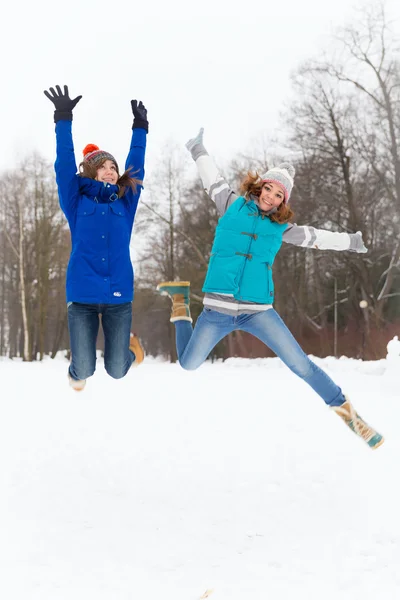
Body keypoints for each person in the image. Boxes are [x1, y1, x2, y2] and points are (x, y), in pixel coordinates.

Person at [157, 128, 384, 449]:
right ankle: (180, 305)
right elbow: (213, 179)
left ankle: (348, 412)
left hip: (257, 311)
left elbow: (315, 236)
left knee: (300, 363)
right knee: (189, 363)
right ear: (259, 186)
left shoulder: (281, 228)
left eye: (279, 195)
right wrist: (198, 149)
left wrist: (351, 241)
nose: (271, 197)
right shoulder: (231, 204)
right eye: (269, 189)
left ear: (283, 202)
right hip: (217, 310)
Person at [44, 85, 148, 391]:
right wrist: (63, 119)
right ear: (91, 173)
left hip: (119, 296)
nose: (110, 171)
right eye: (102, 167)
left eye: (113, 167)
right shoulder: (76, 202)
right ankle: (77, 374)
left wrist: (140, 128)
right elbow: (64, 166)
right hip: (83, 295)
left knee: (117, 370)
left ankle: (132, 351)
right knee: (85, 367)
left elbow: (136, 164)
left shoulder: (126, 201)